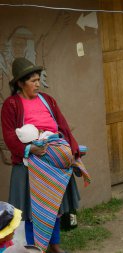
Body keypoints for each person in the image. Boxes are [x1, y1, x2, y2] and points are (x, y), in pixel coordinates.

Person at [1, 58, 86, 253]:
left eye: (38, 80)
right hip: (29, 163)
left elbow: (62, 125)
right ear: (20, 83)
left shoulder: (47, 100)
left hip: (52, 159)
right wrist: (31, 149)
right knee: (32, 209)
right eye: (33, 81)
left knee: (52, 204)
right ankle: (34, 248)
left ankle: (54, 244)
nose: (38, 84)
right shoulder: (11, 105)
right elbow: (9, 136)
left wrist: (72, 152)